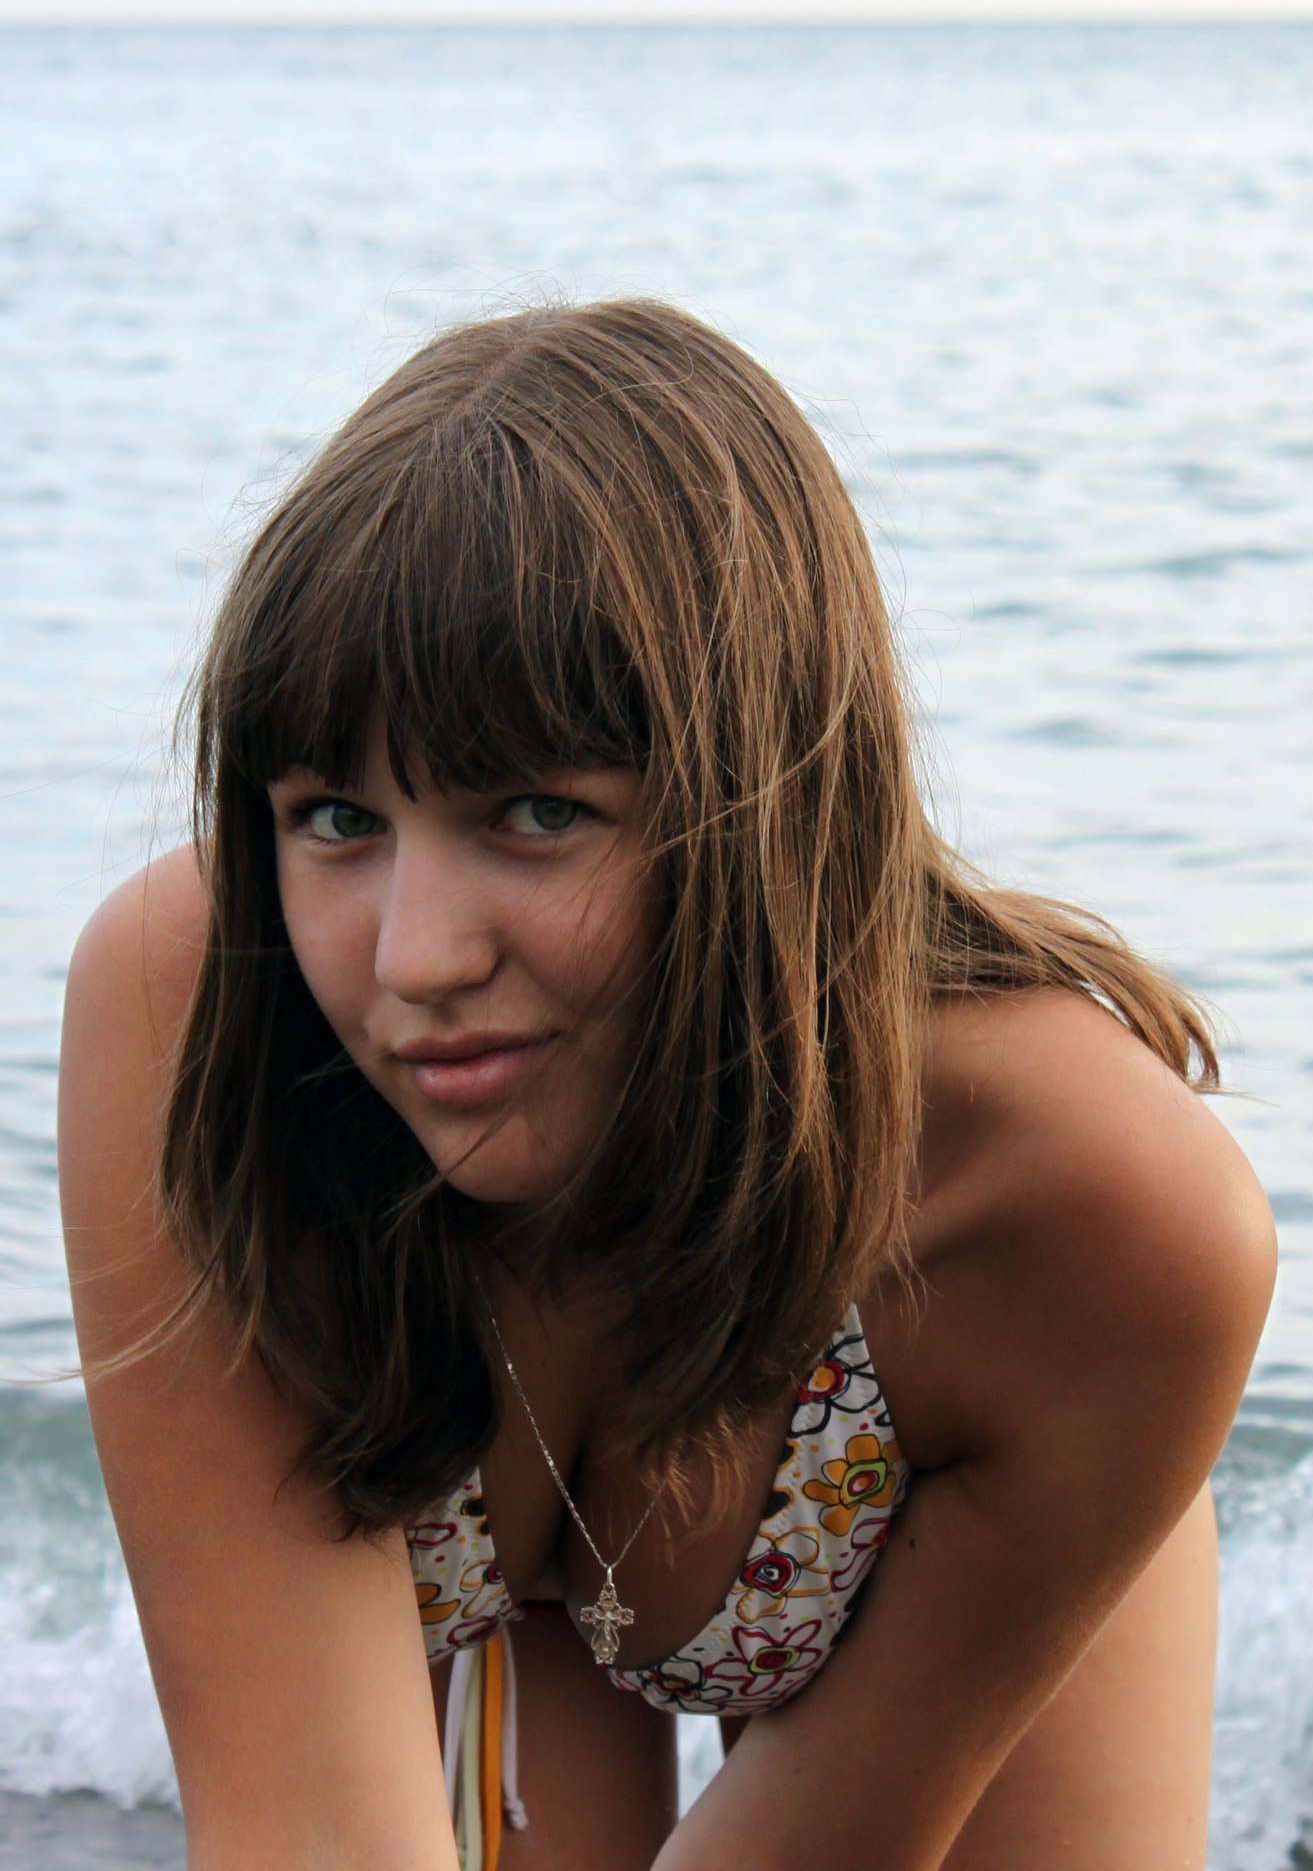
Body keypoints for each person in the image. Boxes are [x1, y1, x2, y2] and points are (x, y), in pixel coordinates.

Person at [59, 297, 1275, 1871]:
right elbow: (306, 1836)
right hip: (496, 1526)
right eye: (339, 820)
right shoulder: (202, 1002)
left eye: (538, 814)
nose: (416, 957)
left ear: (769, 798)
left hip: (918, 1487)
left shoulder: (1087, 1205)